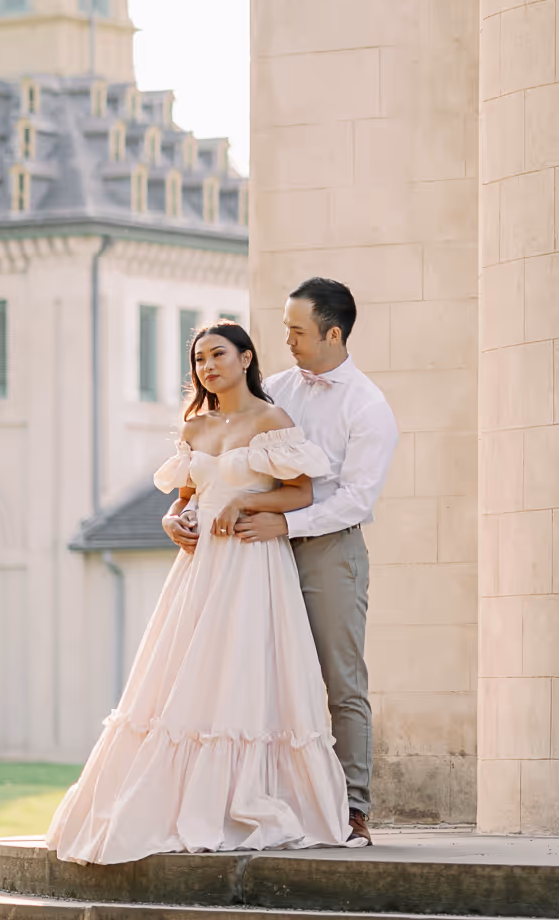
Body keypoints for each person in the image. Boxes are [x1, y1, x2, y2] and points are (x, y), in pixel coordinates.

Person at [45, 321, 350, 863]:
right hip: (200, 567)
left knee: (243, 671)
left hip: (252, 563)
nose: (207, 366)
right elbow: (185, 497)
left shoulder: (272, 421)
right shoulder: (195, 427)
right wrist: (171, 519)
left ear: (246, 358)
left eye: (217, 354)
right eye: (199, 359)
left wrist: (247, 501)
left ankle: (249, 797)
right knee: (186, 675)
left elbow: (301, 492)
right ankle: (173, 797)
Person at [231, 278, 398, 847]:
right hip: (263, 550)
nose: (287, 341)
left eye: (297, 331)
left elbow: (356, 499)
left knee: (341, 681)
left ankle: (352, 808)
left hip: (330, 552)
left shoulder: (367, 407)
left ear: (333, 334)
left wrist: (287, 524)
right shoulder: (275, 390)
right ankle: (270, 801)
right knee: (265, 676)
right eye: (286, 329)